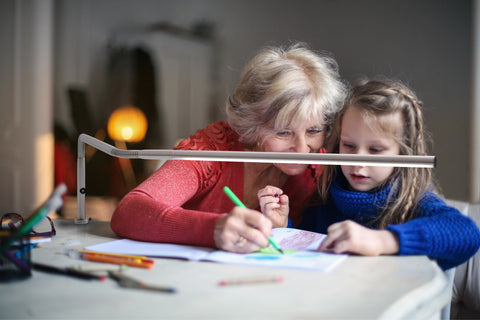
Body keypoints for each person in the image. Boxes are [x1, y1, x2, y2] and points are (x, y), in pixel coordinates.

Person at [110, 42, 347, 253]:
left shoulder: (318, 165)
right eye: (284, 132)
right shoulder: (213, 148)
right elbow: (129, 212)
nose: (303, 148)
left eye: (314, 131)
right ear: (253, 123)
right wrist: (212, 229)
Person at [259, 78, 480, 270]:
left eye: (375, 150)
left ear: (403, 152)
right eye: (349, 145)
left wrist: (382, 241)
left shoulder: (414, 203)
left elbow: (466, 233)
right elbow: (306, 258)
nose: (358, 160)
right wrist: (283, 228)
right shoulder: (324, 201)